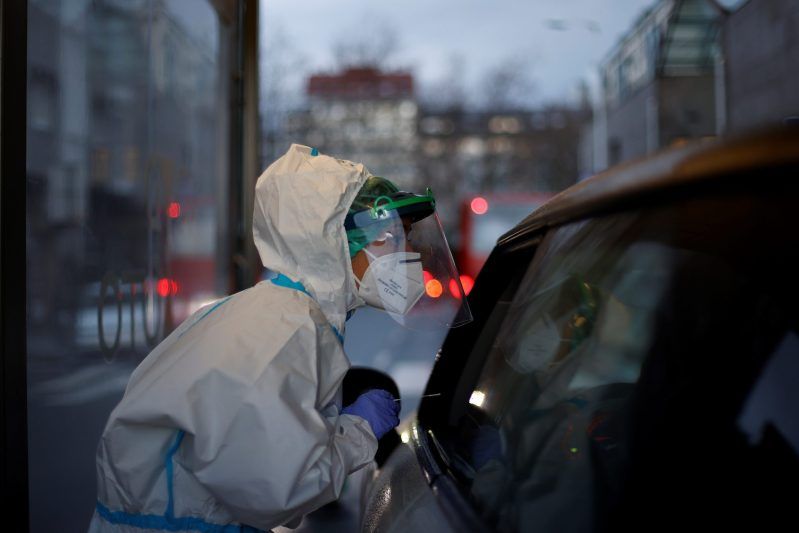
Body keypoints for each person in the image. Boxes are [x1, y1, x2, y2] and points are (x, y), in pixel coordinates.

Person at [88, 144, 470, 532]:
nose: (408, 253)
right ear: (331, 241)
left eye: (406, 237)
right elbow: (274, 491)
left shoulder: (282, 313)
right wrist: (359, 430)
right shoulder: (284, 331)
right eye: (390, 236)